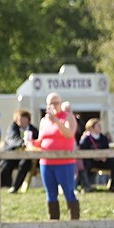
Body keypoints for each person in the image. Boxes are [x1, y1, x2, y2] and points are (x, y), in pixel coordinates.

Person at [35, 91, 79, 220]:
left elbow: (69, 134)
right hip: (46, 162)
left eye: (56, 103)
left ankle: (75, 222)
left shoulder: (68, 117)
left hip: (65, 162)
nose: (54, 106)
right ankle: (53, 222)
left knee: (69, 192)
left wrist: (57, 121)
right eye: (51, 104)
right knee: (50, 194)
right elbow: (41, 140)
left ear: (61, 103)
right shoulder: (44, 121)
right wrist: (30, 142)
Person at [1, 110, 39, 193]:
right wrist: (23, 143)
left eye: (25, 119)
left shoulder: (33, 130)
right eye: (20, 119)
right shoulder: (12, 127)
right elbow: (13, 139)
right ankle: (3, 185)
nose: (22, 122)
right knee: (6, 164)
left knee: (25, 163)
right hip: (12, 155)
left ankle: (15, 187)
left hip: (27, 156)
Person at [78, 117, 114, 192]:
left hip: (102, 160)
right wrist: (94, 157)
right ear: (91, 128)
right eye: (98, 126)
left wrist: (104, 157)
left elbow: (107, 149)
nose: (100, 127)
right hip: (91, 161)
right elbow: (82, 152)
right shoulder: (86, 139)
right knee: (84, 164)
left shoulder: (103, 138)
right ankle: (86, 186)